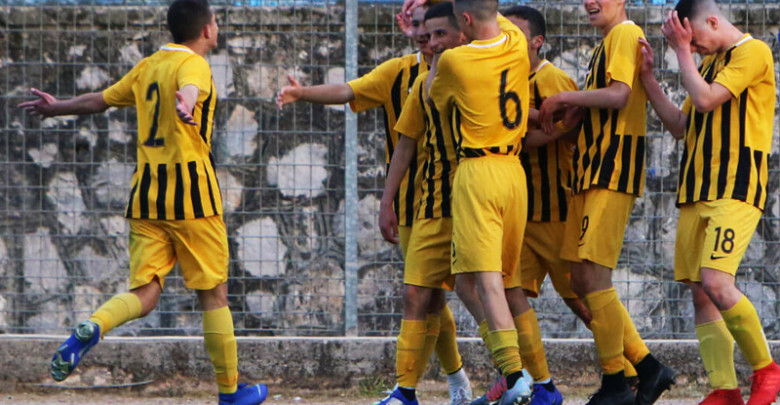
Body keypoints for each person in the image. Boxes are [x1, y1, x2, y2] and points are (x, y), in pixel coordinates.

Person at [19, 1, 267, 404]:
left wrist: (56, 107)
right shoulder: (195, 64)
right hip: (193, 199)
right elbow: (191, 85)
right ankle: (229, 393)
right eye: (216, 22)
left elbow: (100, 100)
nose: (217, 28)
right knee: (214, 296)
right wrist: (186, 103)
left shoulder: (148, 66)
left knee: (146, 292)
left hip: (147, 199)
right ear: (206, 30)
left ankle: (95, 325)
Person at [276, 5, 473, 405]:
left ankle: (516, 377)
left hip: (465, 197)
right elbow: (348, 90)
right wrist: (302, 93)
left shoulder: (472, 67)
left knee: (468, 292)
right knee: (426, 295)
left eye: (432, 27)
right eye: (418, 26)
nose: (425, 35)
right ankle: (445, 384)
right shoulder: (397, 72)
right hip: (414, 204)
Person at [638, 1, 780, 404]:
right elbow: (681, 125)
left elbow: (705, 100)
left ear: (713, 22)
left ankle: (767, 369)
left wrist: (682, 51)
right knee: (700, 291)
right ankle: (725, 390)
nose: (693, 47)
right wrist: (648, 79)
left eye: (695, 39)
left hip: (735, 186)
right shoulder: (708, 64)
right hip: (696, 189)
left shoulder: (753, 51)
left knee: (717, 282)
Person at [538, 0, 676, 403]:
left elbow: (619, 96)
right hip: (588, 172)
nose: (590, 2)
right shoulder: (605, 43)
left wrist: (566, 97)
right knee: (580, 280)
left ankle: (618, 380)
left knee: (594, 278)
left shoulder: (625, 33)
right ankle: (646, 369)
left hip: (611, 171)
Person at [425, 0, 536, 403]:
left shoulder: (455, 60)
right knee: (476, 282)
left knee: (487, 283)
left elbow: (432, 96)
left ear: (466, 20)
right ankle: (516, 373)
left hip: (478, 172)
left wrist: (436, 56)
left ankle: (516, 375)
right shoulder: (517, 41)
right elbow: (490, 14)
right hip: (514, 173)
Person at [375, 5, 474, 405]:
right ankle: (406, 391)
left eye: (438, 34)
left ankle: (524, 378)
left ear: (463, 33)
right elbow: (406, 143)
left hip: (478, 202)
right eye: (426, 35)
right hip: (432, 205)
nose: (430, 42)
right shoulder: (419, 83)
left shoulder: (482, 72)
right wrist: (386, 201)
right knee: (417, 294)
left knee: (490, 293)